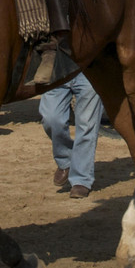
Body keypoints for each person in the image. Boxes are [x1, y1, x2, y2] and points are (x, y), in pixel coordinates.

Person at [41, 71, 103, 199]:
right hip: (57, 68)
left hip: (90, 70)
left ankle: (81, 179)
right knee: (51, 118)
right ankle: (66, 161)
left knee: (87, 125)